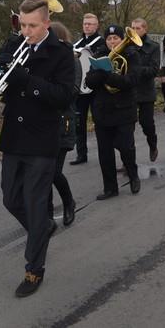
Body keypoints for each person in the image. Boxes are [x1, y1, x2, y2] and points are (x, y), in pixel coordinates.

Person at [0, 0, 75, 297]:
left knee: (33, 200)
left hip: (42, 138)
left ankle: (34, 269)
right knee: (9, 198)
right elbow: (2, 80)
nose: (25, 31)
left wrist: (27, 79)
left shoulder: (62, 53)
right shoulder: (13, 43)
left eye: (32, 26)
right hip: (14, 135)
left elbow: (63, 96)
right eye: (22, 25)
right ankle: (41, 228)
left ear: (46, 23)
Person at [85, 25, 142, 199]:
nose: (112, 42)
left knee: (126, 148)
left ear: (121, 39)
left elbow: (130, 81)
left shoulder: (131, 55)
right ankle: (110, 188)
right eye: (109, 39)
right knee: (105, 152)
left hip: (125, 110)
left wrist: (107, 75)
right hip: (103, 111)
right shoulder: (99, 55)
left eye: (116, 38)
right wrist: (101, 73)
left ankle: (133, 175)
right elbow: (89, 81)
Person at [47, 21, 78, 227]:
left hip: (62, 123)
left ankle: (69, 202)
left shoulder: (71, 61)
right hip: (43, 124)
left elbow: (72, 91)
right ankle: (46, 215)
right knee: (41, 173)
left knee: (53, 172)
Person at [71, 13, 105, 165]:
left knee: (100, 122)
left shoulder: (102, 43)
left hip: (96, 89)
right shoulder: (76, 44)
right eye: (85, 23)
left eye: (90, 24)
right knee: (79, 123)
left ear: (97, 26)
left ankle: (104, 153)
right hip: (80, 89)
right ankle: (81, 154)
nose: (87, 26)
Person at [130, 18, 161, 162]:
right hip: (128, 90)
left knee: (146, 123)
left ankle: (152, 145)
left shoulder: (153, 46)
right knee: (127, 127)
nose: (134, 31)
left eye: (138, 28)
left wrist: (136, 70)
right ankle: (128, 160)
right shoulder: (127, 45)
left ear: (145, 29)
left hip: (145, 91)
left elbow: (154, 70)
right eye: (133, 28)